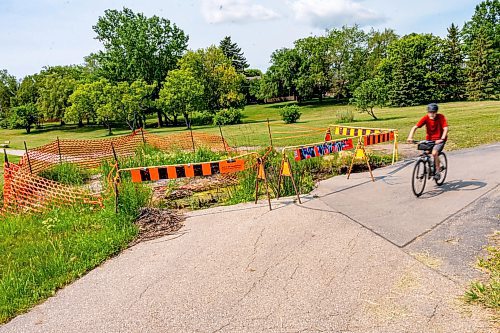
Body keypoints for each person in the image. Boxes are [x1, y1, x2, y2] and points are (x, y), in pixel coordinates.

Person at [407, 103, 449, 180]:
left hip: (440, 140)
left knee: (434, 153)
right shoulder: (426, 118)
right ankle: (430, 167)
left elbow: (445, 128)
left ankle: (437, 171)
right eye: (430, 112)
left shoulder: (441, 117)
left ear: (436, 112)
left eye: (433, 112)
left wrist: (442, 139)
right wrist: (410, 137)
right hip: (429, 140)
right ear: (427, 112)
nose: (431, 114)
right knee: (425, 154)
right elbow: (415, 127)